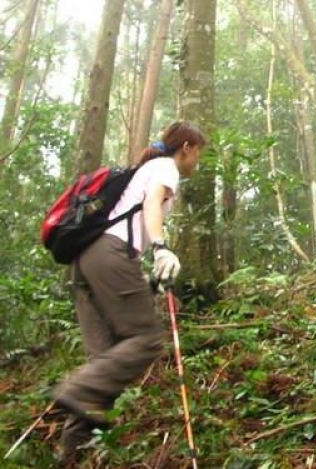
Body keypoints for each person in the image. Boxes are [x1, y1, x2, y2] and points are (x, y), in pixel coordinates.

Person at [51, 121, 206, 465]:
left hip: (86, 262)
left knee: (105, 366)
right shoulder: (166, 166)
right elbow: (152, 205)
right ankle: (73, 390)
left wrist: (147, 279)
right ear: (186, 148)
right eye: (198, 153)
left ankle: (71, 457)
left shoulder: (145, 168)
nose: (197, 160)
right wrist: (162, 248)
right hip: (110, 253)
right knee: (146, 339)